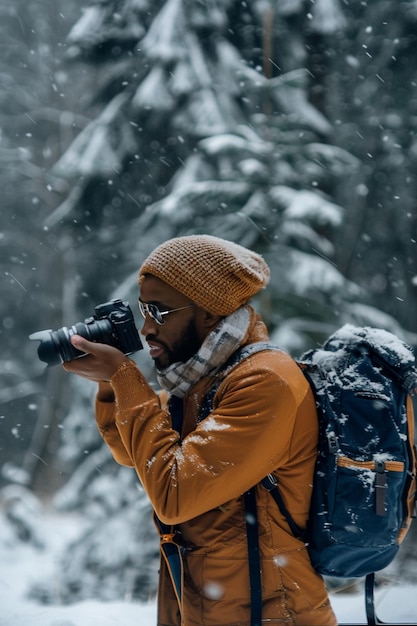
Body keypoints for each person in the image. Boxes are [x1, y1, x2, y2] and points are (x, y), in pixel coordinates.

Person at [63, 235, 337, 626]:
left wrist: (124, 377)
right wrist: (112, 384)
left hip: (271, 612)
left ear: (209, 311)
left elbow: (175, 494)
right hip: (207, 607)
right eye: (143, 311)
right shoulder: (198, 384)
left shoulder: (265, 381)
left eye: (157, 312)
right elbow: (131, 453)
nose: (145, 329)